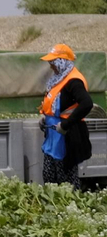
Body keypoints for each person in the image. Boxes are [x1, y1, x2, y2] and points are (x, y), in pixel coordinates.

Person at [39, 43, 94, 188]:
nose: (51, 66)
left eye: (53, 62)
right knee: (49, 175)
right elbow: (55, 103)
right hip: (52, 136)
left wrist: (66, 124)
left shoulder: (73, 81)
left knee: (66, 179)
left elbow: (86, 104)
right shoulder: (59, 78)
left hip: (65, 136)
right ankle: (51, 205)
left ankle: (69, 206)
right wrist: (44, 117)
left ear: (62, 62)